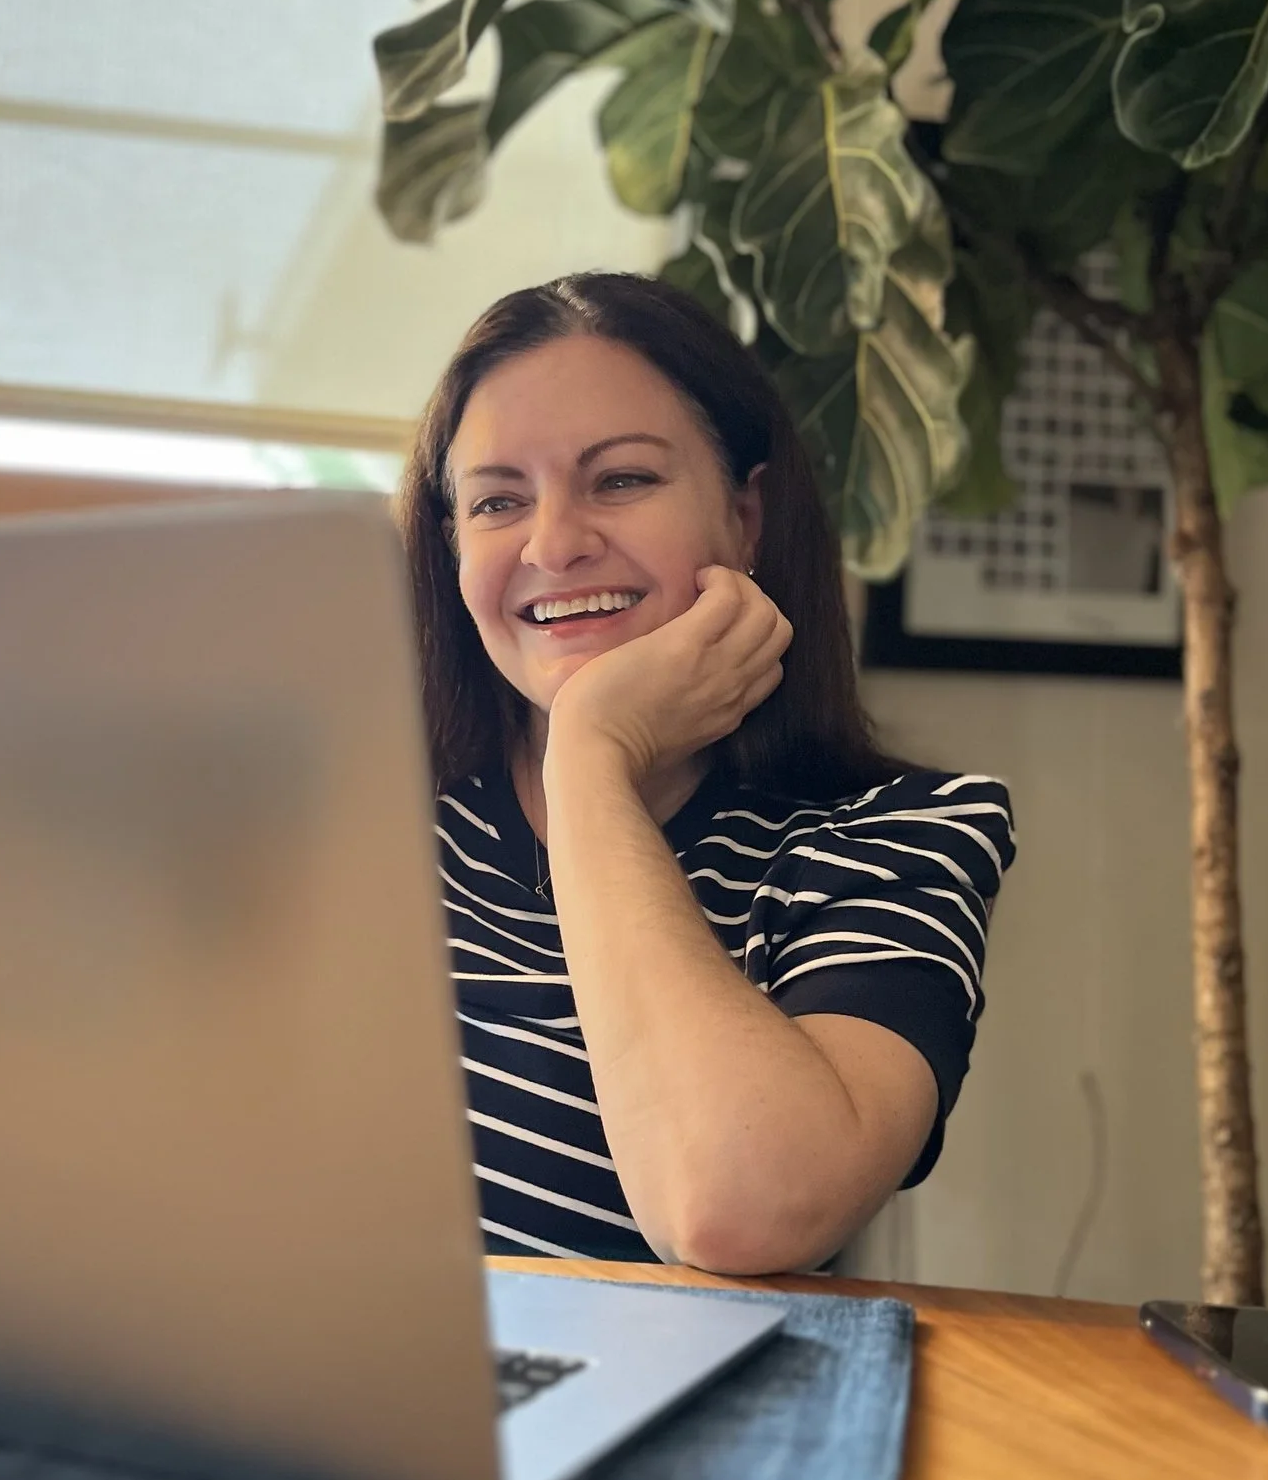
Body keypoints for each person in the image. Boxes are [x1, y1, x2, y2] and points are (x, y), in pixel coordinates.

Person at [400, 273, 1014, 1275]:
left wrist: (592, 762)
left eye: (622, 480)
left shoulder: (897, 838)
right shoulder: (362, 818)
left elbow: (741, 1211)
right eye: (497, 500)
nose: (553, 543)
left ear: (745, 515)